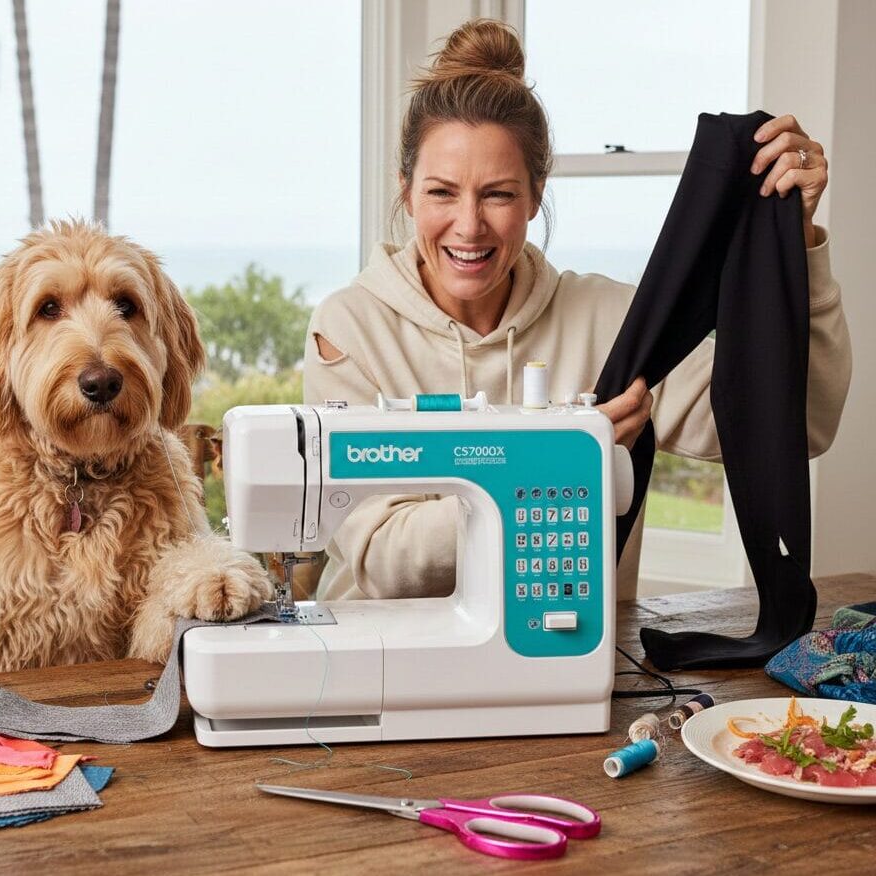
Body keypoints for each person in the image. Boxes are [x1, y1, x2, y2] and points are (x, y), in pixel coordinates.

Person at [302, 19, 851, 602]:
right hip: (389, 670)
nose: (469, 225)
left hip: (574, 664)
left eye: (498, 194)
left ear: (537, 194)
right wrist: (557, 458)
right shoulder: (349, 331)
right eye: (441, 192)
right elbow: (391, 563)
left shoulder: (613, 323)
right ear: (406, 189)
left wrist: (799, 243)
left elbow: (800, 424)